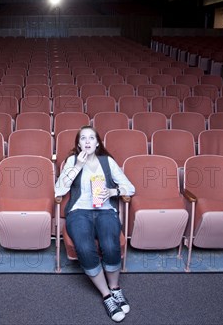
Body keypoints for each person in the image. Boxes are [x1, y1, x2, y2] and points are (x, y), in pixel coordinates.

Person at [55, 126, 135, 322]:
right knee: (84, 247)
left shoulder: (107, 162)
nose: (88, 141)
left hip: (105, 210)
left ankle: (116, 288)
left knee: (110, 244)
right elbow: (59, 189)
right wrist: (77, 167)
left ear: (98, 143)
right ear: (79, 144)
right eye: (83, 138)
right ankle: (106, 294)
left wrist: (113, 192)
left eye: (92, 138)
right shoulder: (73, 161)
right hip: (79, 212)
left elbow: (130, 187)